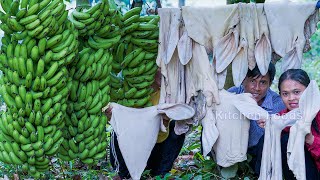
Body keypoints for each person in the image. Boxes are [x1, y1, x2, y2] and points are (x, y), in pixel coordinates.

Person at [105, 69, 186, 179]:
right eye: (160, 69)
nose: (165, 73)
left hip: (153, 150)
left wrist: (165, 122)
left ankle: (161, 174)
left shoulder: (168, 97)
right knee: (119, 128)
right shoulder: (131, 93)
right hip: (130, 149)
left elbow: (161, 138)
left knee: (178, 127)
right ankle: (123, 174)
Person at [227, 63, 285, 176]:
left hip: (259, 154)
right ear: (243, 80)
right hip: (231, 149)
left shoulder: (278, 104)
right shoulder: (232, 94)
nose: (257, 88)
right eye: (253, 81)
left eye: (263, 82)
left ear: (270, 84)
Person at [278, 69, 320, 180]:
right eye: (285, 94)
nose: (291, 98)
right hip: (303, 173)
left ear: (309, 91)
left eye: (297, 92)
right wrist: (271, 127)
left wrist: (310, 139)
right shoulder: (284, 117)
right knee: (284, 139)